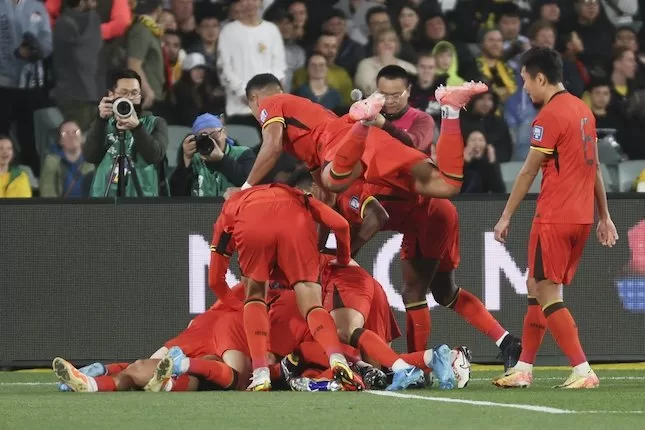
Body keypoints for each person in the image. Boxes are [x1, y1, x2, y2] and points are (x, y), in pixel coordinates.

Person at [493, 47, 618, 389]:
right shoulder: (583, 111)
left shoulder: (548, 117)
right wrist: (604, 216)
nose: (525, 89)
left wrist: (506, 216)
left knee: (548, 293)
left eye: (525, 82)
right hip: (581, 217)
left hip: (554, 217)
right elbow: (593, 170)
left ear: (541, 78)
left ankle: (582, 369)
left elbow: (528, 172)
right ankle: (523, 368)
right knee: (537, 287)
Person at [237, 73, 488, 201]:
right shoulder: (305, 118)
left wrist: (245, 188)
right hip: (364, 142)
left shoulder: (270, 102)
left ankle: (363, 123)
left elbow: (271, 147)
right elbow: (322, 184)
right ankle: (451, 109)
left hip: (342, 139)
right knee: (448, 187)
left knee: (336, 181)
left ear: (254, 99)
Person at [209, 183, 362, 391]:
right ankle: (336, 357)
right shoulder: (298, 195)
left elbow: (215, 281)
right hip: (295, 220)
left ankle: (261, 373)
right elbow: (341, 225)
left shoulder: (231, 208)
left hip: (252, 223)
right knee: (312, 305)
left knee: (254, 298)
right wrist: (343, 258)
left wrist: (236, 306)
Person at [84, 69, 168, 197]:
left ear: (140, 96)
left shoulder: (155, 123)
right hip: (105, 198)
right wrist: (100, 120)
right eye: (124, 92)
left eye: (134, 93)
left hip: (141, 199)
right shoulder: (103, 123)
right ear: (111, 94)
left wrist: (137, 127)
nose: (129, 98)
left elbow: (155, 156)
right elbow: (90, 156)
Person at [217, 0, 286, 128]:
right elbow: (224, 68)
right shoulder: (228, 31)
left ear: (261, 3)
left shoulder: (271, 30)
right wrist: (244, 93)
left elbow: (279, 67)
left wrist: (269, 94)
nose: (249, 3)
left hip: (269, 109)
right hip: (239, 109)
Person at [169, 114, 255, 197]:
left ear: (224, 133)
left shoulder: (242, 153)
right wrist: (186, 160)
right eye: (204, 138)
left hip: (231, 210)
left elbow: (250, 184)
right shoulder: (193, 160)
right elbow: (176, 194)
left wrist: (222, 159)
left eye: (214, 135)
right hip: (200, 211)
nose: (211, 141)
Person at [52, 0, 103, 132]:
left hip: (84, 94)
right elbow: (83, 59)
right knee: (74, 143)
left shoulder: (63, 23)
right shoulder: (90, 20)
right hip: (76, 95)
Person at [367, 65, 435, 154]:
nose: (389, 101)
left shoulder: (423, 119)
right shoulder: (368, 117)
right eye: (383, 95)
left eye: (396, 96)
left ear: (408, 91)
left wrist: (384, 125)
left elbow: (416, 145)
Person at [40, 121, 95, 197]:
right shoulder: (51, 162)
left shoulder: (92, 160)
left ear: (82, 137)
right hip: (62, 208)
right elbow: (48, 193)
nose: (71, 136)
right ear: (60, 140)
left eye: (75, 132)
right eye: (65, 133)